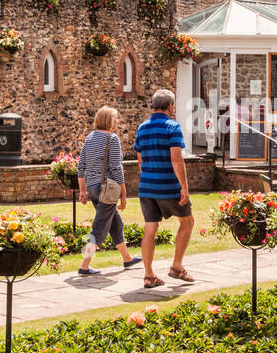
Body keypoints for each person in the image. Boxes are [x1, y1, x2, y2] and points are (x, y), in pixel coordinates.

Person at [134, 89, 194, 288]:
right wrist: (184, 187)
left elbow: (140, 161)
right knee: (187, 222)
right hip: (168, 187)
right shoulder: (172, 126)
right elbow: (176, 158)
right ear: (170, 106)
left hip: (147, 187)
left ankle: (149, 275)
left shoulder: (142, 128)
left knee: (150, 229)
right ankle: (176, 267)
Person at [75, 106, 141, 276]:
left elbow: (81, 166)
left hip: (93, 188)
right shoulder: (112, 139)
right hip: (108, 188)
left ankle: (127, 258)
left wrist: (83, 190)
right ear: (110, 121)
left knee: (115, 223)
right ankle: (84, 265)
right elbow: (116, 168)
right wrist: (124, 193)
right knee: (99, 228)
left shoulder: (89, 138)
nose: (117, 122)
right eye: (115, 119)